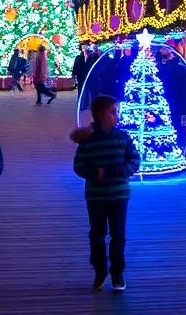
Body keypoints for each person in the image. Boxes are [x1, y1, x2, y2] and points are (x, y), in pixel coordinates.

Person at [71, 95, 140, 292]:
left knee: (118, 234)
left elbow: (134, 160)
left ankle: (117, 272)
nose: (116, 116)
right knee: (98, 234)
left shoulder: (122, 138)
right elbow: (78, 165)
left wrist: (122, 170)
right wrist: (92, 173)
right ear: (100, 115)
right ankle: (100, 270)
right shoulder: (87, 141)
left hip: (119, 195)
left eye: (116, 112)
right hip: (97, 196)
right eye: (112, 112)